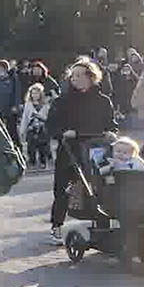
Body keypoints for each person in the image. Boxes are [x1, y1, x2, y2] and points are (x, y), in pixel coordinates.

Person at [45, 58, 117, 246]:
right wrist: (63, 133)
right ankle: (56, 226)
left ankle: (102, 223)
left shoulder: (103, 101)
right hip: (70, 149)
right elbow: (51, 125)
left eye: (79, 75)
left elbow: (112, 125)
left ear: (91, 78)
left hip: (97, 149)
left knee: (101, 185)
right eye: (72, 76)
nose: (74, 79)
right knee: (63, 188)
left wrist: (111, 133)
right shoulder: (63, 101)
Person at [19, 83, 53, 169]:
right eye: (33, 93)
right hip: (31, 128)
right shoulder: (28, 105)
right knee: (31, 146)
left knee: (43, 146)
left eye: (37, 93)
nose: (35, 95)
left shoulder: (45, 105)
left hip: (42, 128)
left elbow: (49, 117)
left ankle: (43, 161)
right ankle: (32, 161)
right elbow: (25, 118)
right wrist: (22, 130)